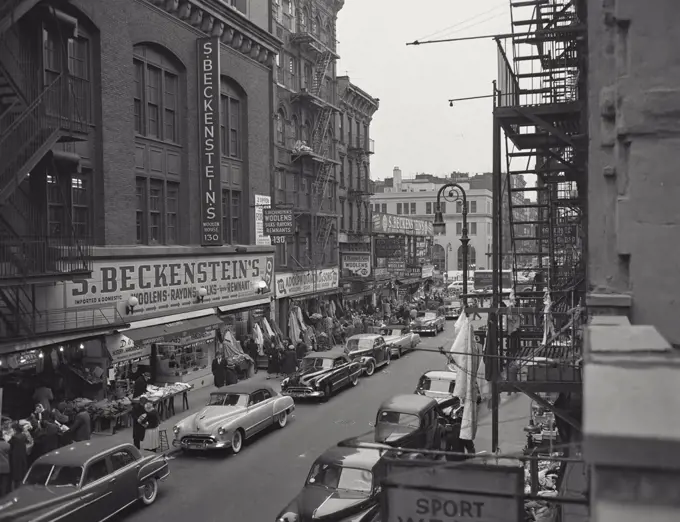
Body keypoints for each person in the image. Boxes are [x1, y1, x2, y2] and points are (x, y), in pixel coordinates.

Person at [9, 424, 28, 491]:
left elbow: (9, 445)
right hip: (22, 455)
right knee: (21, 471)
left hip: (15, 456)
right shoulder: (23, 436)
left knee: (15, 473)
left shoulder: (14, 437)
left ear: (15, 430)